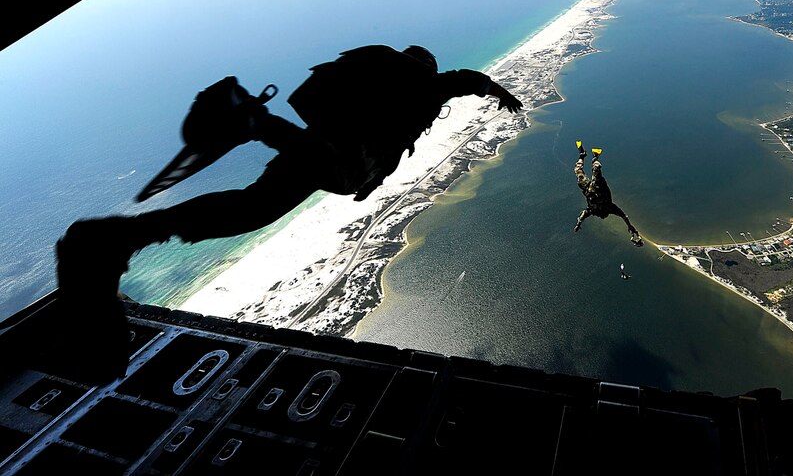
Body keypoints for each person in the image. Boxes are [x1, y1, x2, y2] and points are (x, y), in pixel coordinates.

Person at [54, 44, 522, 383]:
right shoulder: (427, 86)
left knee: (252, 208)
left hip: (315, 147)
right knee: (332, 177)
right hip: (334, 156)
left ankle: (127, 235)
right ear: (424, 69)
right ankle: (253, 121)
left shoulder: (381, 87)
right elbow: (465, 80)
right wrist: (501, 93)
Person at [572, 141, 642, 247]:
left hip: (589, 189)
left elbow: (583, 216)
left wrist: (578, 223)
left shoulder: (592, 210)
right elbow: (624, 216)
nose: (602, 217)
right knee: (595, 169)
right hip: (598, 187)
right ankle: (595, 157)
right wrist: (630, 227)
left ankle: (582, 155)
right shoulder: (609, 208)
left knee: (578, 170)